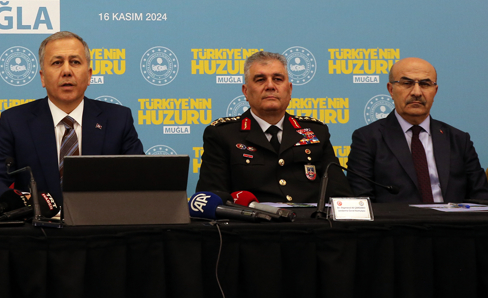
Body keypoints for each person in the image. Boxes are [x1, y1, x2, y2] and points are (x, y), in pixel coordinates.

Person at [0, 31, 144, 204]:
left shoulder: (118, 119)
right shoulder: (15, 121)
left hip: (100, 220)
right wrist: (29, 203)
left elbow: (141, 180)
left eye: (75, 62)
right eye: (57, 63)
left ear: (89, 75)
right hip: (38, 220)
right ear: (43, 77)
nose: (67, 71)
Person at [197, 51, 351, 202]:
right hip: (253, 219)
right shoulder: (223, 134)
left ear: (290, 90)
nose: (270, 86)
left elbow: (341, 197)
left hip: (309, 219)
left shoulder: (316, 132)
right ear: (246, 91)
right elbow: (211, 199)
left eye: (278, 79)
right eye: (260, 80)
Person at [347, 57, 488, 203]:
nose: (416, 92)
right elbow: (361, 202)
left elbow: (481, 198)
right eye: (407, 83)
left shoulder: (459, 140)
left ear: (435, 91)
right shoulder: (368, 139)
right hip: (396, 218)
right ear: (391, 89)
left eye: (425, 84)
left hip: (453, 218)